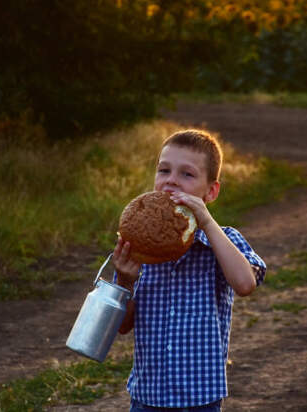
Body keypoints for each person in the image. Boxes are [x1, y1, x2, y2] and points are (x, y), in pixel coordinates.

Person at [113, 129, 266, 412]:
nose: (171, 180)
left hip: (200, 400)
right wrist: (125, 280)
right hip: (147, 398)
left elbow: (245, 284)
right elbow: (122, 326)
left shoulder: (223, 240)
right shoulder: (139, 248)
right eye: (164, 170)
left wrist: (206, 222)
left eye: (187, 174)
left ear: (211, 192)